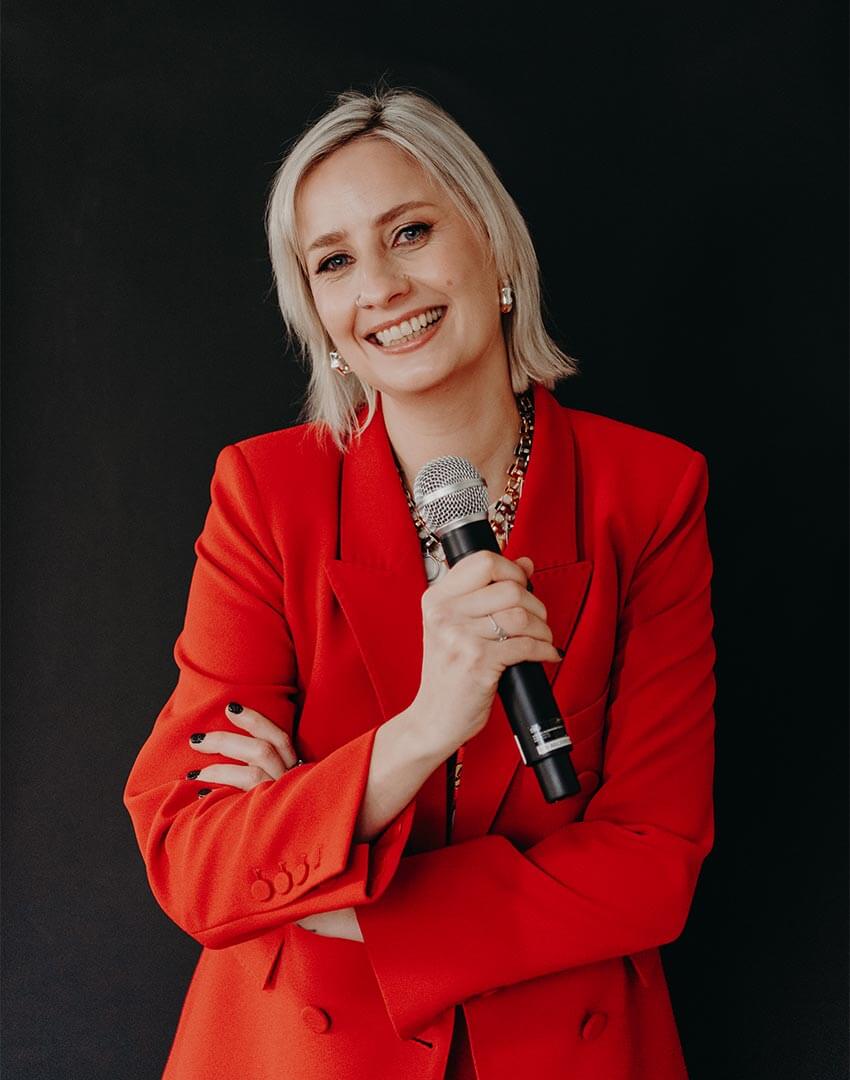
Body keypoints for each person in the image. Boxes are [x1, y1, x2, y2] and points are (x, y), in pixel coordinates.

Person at [123, 85, 716, 1080]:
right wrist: (420, 731)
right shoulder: (266, 493)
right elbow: (194, 859)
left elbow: (652, 864)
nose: (381, 287)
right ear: (315, 311)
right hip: (300, 1053)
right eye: (335, 261)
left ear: (493, 246)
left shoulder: (647, 493)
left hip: (560, 1050)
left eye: (410, 231)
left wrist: (335, 896)